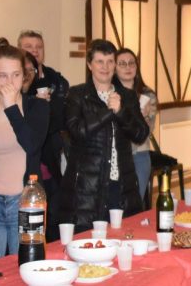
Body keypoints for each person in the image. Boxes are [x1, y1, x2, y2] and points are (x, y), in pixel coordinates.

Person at [60, 40, 149, 231]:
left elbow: (141, 133)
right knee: (89, 241)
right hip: (87, 187)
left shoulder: (127, 96)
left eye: (110, 61)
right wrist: (108, 112)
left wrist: (121, 112)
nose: (105, 67)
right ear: (89, 64)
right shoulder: (77, 94)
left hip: (121, 184)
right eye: (99, 61)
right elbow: (76, 131)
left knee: (123, 237)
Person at [0, 45, 49, 260]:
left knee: (29, 265)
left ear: (24, 76)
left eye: (16, 75)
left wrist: (11, 108)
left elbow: (32, 145)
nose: (9, 82)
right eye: (3, 75)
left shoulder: (38, 107)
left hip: (27, 201)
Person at [18, 30, 70, 242]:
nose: (34, 51)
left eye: (38, 47)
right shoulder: (16, 83)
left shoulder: (56, 80)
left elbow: (61, 119)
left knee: (53, 222)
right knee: (29, 226)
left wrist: (45, 110)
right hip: (23, 167)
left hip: (51, 163)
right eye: (28, 47)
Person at [114, 48, 158, 201]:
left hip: (139, 155)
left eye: (131, 63)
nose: (128, 67)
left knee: (135, 202)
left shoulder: (147, 95)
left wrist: (142, 117)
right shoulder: (111, 94)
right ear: (115, 68)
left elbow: (147, 131)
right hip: (116, 155)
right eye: (122, 64)